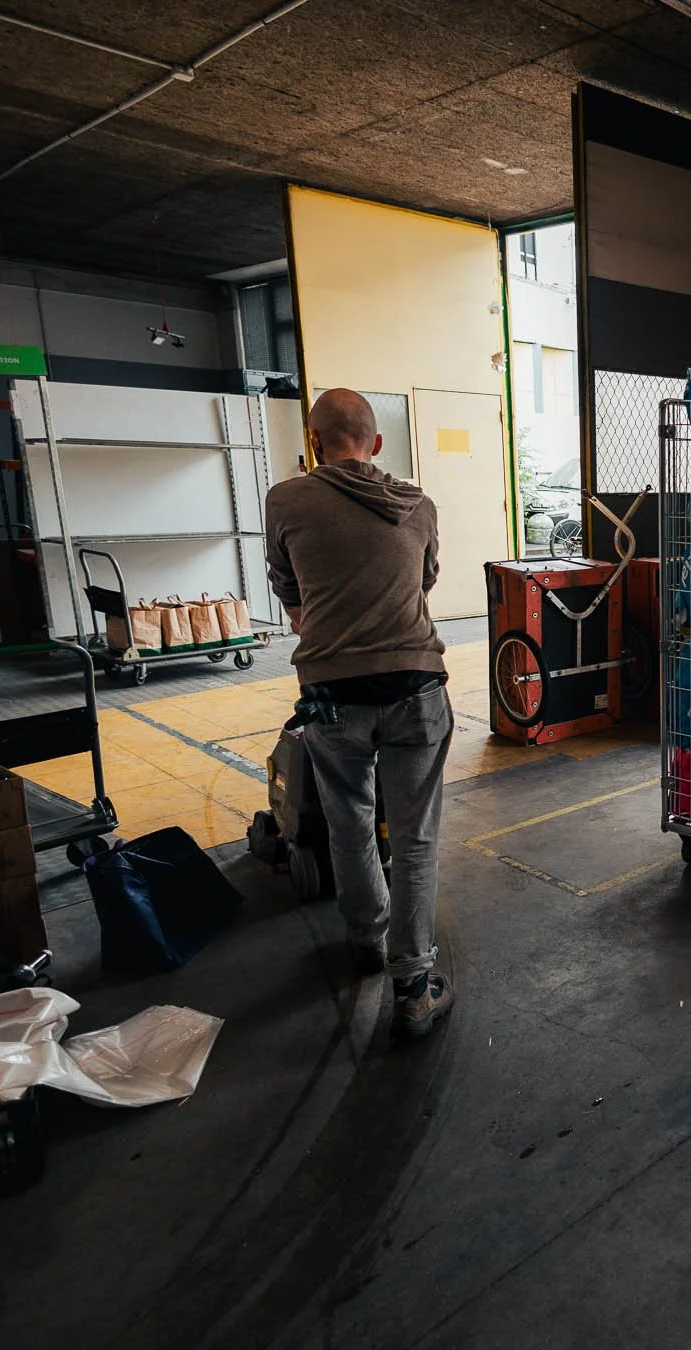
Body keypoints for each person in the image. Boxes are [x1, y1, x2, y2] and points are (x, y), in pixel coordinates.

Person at [266, 389, 454, 1037]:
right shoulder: (418, 505)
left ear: (315, 442)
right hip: (414, 683)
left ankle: (365, 940)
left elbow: (286, 585)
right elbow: (423, 583)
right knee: (414, 835)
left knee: (347, 820)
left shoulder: (286, 499)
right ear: (375, 445)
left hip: (329, 689)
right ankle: (412, 983)